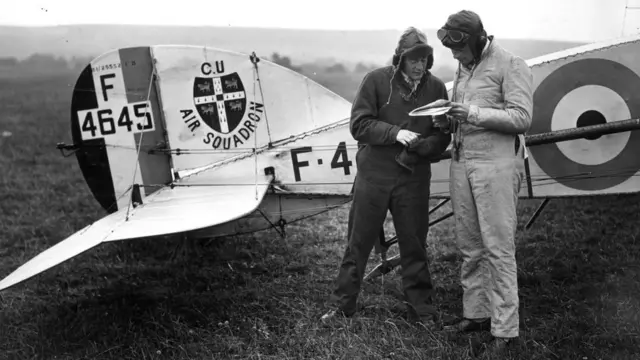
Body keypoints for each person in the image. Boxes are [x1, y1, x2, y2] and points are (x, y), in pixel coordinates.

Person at [321, 27, 451, 327]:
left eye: (424, 58)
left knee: (415, 244)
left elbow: (443, 135)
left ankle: (422, 313)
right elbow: (359, 125)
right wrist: (396, 133)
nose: (419, 65)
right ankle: (342, 309)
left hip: (414, 178)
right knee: (359, 242)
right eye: (413, 59)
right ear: (400, 59)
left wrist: (423, 146)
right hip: (374, 176)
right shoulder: (376, 81)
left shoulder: (436, 89)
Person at [434, 10, 533, 354]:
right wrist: (447, 121)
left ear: (475, 40)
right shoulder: (464, 66)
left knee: (498, 248)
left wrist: (472, 113)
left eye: (458, 49)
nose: (454, 56)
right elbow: (463, 114)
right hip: (463, 162)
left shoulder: (512, 64)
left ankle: (505, 330)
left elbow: (521, 117)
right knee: (470, 244)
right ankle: (476, 314)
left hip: (497, 166)